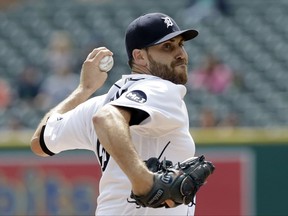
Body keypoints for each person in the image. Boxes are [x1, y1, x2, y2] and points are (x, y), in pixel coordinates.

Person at [30, 12, 199, 215]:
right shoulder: (160, 89)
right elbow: (107, 118)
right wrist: (142, 179)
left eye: (181, 44)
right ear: (139, 56)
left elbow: (40, 142)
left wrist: (83, 90)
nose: (180, 53)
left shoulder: (99, 103)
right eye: (167, 47)